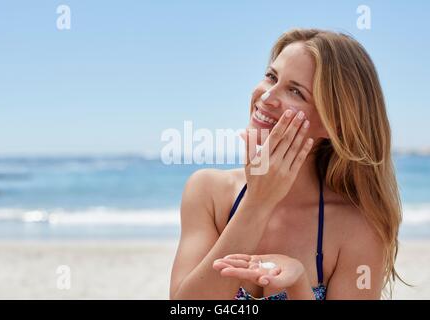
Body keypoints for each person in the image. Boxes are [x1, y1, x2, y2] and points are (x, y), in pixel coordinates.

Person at [169, 28, 402, 300]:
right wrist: (257, 202)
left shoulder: (358, 228)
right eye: (271, 77)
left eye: (295, 91)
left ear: (333, 124)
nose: (266, 97)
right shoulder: (207, 191)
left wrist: (298, 286)